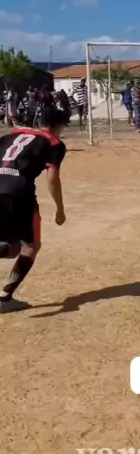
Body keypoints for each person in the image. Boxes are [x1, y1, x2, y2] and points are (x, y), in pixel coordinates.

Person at [0, 106, 67, 313]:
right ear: (59, 126)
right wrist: (60, 209)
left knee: (11, 248)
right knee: (30, 246)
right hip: (19, 193)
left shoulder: (11, 134)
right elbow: (52, 179)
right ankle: (4, 298)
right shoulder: (53, 143)